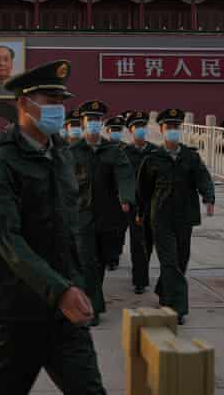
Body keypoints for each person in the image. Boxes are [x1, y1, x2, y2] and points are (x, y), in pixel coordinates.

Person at [0, 60, 107, 395]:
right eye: (50, 101)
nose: (58, 109)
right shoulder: (3, 161)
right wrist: (59, 290)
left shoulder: (61, 152)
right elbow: (8, 239)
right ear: (24, 103)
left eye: (62, 102)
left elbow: (67, 228)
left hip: (63, 311)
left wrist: (75, 283)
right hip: (16, 309)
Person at [137, 108, 215, 325]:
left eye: (175, 127)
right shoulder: (153, 158)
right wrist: (140, 213)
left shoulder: (191, 157)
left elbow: (203, 179)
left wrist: (208, 198)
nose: (172, 130)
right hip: (160, 216)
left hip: (185, 215)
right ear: (161, 129)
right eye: (168, 127)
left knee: (181, 260)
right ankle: (176, 308)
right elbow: (143, 189)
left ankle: (165, 291)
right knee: (169, 260)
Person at [68, 101, 135, 327]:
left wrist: (125, 197)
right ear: (83, 123)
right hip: (82, 216)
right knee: (87, 261)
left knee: (101, 260)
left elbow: (125, 174)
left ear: (102, 123)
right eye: (90, 121)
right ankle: (93, 308)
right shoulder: (72, 151)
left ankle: (93, 299)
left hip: (108, 216)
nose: (94, 124)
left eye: (97, 120)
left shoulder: (113, 151)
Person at [121, 111, 159, 294]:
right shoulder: (124, 153)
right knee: (138, 241)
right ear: (131, 130)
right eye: (137, 127)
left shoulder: (155, 152)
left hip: (152, 203)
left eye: (143, 127)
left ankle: (141, 273)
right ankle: (140, 280)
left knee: (148, 240)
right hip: (133, 204)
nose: (141, 130)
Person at [104, 115, 130, 270]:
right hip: (105, 195)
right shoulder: (102, 149)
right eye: (113, 129)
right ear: (107, 131)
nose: (115, 132)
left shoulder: (127, 149)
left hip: (122, 197)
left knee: (120, 228)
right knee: (106, 228)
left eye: (118, 130)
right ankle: (109, 256)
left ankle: (115, 255)